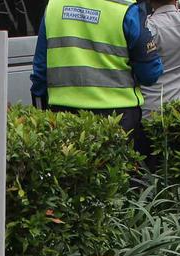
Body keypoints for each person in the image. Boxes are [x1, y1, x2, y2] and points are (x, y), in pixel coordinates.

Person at [31, 0, 163, 151]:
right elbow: (150, 74)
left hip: (63, 117)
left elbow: (40, 71)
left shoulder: (54, 6)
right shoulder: (125, 9)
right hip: (117, 119)